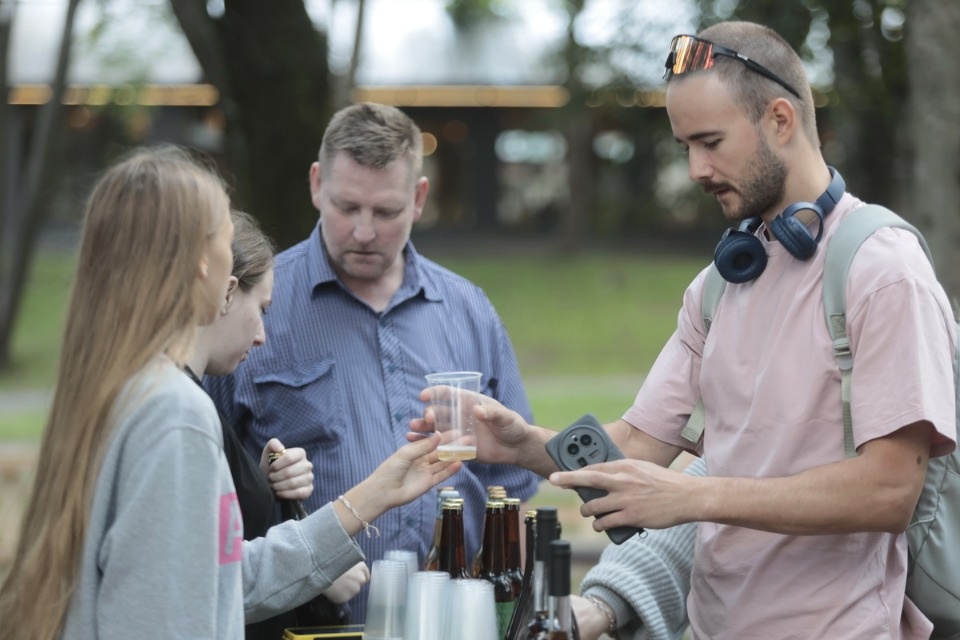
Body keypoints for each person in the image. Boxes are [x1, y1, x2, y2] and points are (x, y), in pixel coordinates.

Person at [411, 21, 957, 639]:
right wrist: (521, 445)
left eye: (711, 142)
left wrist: (693, 497)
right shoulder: (719, 284)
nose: (697, 169)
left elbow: (889, 492)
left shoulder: (882, 271)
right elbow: (640, 447)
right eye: (684, 147)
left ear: (780, 120)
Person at [0, 146, 461, 640]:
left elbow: (216, 579)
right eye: (224, 233)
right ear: (203, 265)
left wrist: (374, 494)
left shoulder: (122, 386)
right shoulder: (175, 412)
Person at [205, 101, 541, 620]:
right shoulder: (254, 307)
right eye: (346, 207)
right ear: (317, 185)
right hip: (307, 626)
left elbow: (513, 488)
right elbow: (214, 482)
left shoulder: (468, 309)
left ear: (419, 198)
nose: (363, 232)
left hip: (453, 626)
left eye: (385, 212)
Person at [184, 209, 368, 639]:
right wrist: (320, 565)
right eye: (261, 308)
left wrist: (261, 486)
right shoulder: (183, 410)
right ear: (227, 293)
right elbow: (218, 581)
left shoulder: (189, 398)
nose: (262, 334)